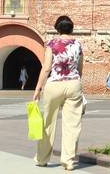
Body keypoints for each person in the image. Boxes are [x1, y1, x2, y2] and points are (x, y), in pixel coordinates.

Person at [33, 15, 84, 171]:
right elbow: (80, 68)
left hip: (54, 84)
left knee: (48, 123)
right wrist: (75, 82)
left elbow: (46, 68)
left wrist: (38, 88)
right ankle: (68, 161)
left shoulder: (52, 44)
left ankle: (42, 158)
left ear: (57, 29)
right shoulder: (77, 44)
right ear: (72, 29)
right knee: (72, 125)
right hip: (73, 84)